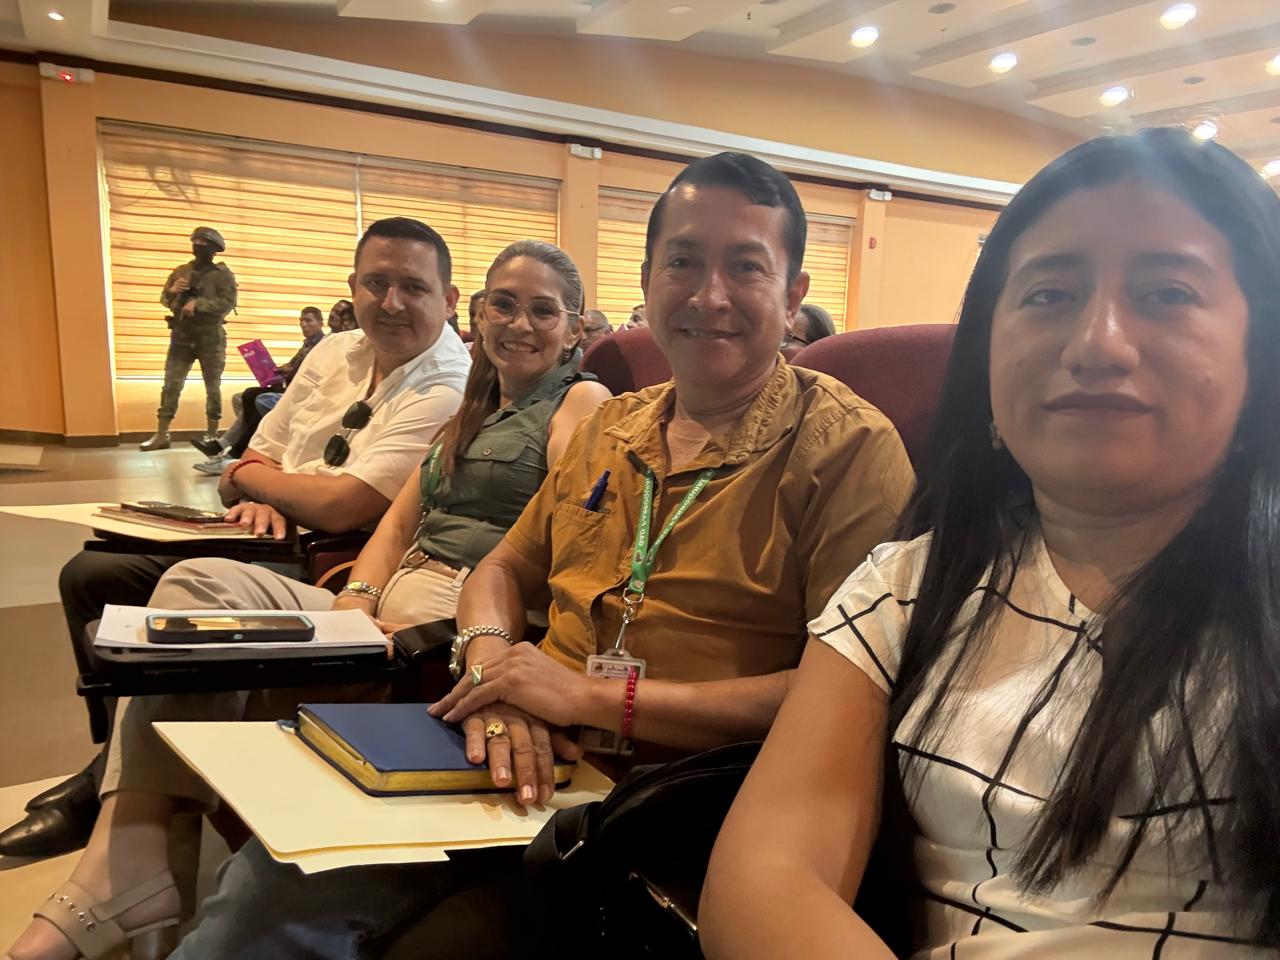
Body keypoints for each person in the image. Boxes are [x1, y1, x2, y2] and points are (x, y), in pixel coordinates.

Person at [152, 152, 915, 960]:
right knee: (276, 872)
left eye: (746, 267)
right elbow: (501, 570)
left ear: (793, 296)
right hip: (527, 740)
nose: (708, 294)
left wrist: (590, 698)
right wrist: (494, 666)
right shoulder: (613, 427)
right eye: (684, 262)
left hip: (678, 796)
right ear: (648, 279)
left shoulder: (847, 450)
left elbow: (842, 696)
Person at [700, 129, 1280, 959]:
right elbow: (765, 879)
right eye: (1050, 295)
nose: (1098, 343)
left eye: (1167, 294)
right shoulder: (907, 587)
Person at [2, 240, 611, 960]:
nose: (520, 323)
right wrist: (356, 598)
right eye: (503, 305)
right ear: (477, 314)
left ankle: (125, 871)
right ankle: (129, 850)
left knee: (194, 655)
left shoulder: (580, 402)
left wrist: (458, 631)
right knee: (195, 583)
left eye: (543, 311)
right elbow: (397, 525)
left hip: (461, 618)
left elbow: (564, 538)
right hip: (383, 600)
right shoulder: (473, 406)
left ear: (574, 329)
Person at [0, 216, 471, 862]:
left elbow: (342, 506)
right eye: (376, 283)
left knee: (144, 587)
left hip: (333, 555)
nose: (391, 302)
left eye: (413, 287)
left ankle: (106, 794)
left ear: (448, 299)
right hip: (263, 529)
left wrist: (256, 481)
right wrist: (258, 485)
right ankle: (119, 768)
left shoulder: (448, 384)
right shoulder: (335, 352)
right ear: (352, 287)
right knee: (91, 576)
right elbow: (248, 460)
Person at [189, 306, 327, 471]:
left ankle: (234, 451)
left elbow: (306, 374)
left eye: (309, 321)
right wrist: (278, 371)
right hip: (288, 388)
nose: (304, 324)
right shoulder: (307, 344)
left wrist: (288, 373)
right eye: (301, 321)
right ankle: (230, 445)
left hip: (299, 395)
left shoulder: (322, 345)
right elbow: (292, 366)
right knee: (243, 398)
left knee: (256, 399)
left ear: (321, 323)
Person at [139, 227, 238, 451]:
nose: (198, 246)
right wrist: (173, 291)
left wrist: (199, 304)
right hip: (182, 335)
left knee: (212, 387)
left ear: (214, 249)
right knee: (171, 385)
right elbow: (164, 299)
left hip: (210, 337)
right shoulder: (181, 271)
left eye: (204, 243)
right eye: (196, 242)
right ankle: (162, 434)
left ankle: (212, 434)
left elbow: (228, 302)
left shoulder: (223, 275)